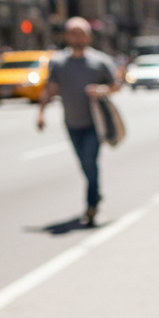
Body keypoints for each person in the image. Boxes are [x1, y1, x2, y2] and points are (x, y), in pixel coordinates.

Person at [36, 17, 118, 226]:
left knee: (90, 162)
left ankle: (91, 205)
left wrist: (102, 89)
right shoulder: (58, 62)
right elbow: (51, 89)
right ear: (66, 36)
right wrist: (41, 112)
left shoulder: (100, 61)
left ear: (88, 36)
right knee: (84, 164)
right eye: (72, 32)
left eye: (80, 32)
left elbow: (115, 84)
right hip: (72, 123)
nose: (76, 36)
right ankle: (96, 193)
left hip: (95, 123)